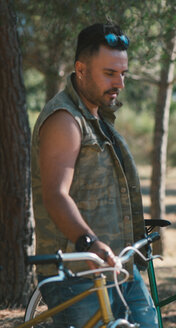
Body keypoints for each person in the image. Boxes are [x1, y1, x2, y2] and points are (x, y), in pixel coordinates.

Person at [31, 23, 158, 327]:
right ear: (81, 69)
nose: (120, 83)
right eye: (110, 73)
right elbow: (55, 194)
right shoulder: (65, 120)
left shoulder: (97, 117)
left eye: (123, 73)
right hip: (76, 274)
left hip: (119, 268)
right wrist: (88, 243)